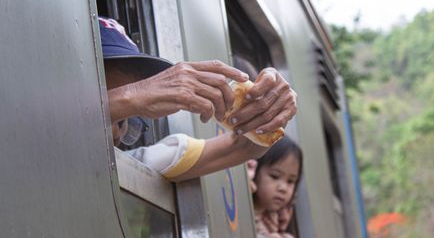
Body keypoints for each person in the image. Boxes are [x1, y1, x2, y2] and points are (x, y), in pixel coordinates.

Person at [99, 17, 297, 181]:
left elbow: (244, 147)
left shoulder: (135, 164)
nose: (117, 132)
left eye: (126, 120)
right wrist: (127, 100)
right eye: (109, 96)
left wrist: (267, 110)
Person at [248, 136, 304, 238]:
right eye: (275, 176)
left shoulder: (275, 218)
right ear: (254, 170)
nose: (283, 188)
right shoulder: (243, 210)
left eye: (291, 181)